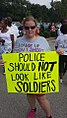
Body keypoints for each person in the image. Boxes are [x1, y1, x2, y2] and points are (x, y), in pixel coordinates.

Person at [14, 16, 52, 118]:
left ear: (36, 27)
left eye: (32, 27)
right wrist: (5, 62)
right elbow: (14, 58)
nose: (29, 30)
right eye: (27, 27)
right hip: (26, 76)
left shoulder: (42, 40)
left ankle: (49, 115)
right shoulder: (19, 41)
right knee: (30, 94)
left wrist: (58, 53)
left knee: (41, 98)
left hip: (39, 76)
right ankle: (33, 109)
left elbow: (50, 58)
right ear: (23, 28)